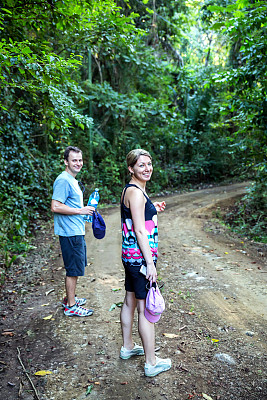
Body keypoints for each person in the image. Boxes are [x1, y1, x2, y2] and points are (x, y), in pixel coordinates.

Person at [119, 148, 171, 377]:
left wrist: (152, 208)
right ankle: (151, 363)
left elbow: (137, 217)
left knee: (130, 300)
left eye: (149, 164)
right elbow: (139, 229)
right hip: (140, 258)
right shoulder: (137, 193)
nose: (147, 168)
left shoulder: (132, 190)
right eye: (141, 165)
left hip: (129, 257)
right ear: (131, 168)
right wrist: (150, 263)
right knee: (144, 308)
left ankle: (128, 347)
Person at [51, 146, 95, 317]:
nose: (78, 163)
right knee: (73, 269)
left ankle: (70, 297)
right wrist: (80, 211)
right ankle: (71, 306)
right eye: (74, 160)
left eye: (80, 160)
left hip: (76, 230)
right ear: (66, 162)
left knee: (76, 267)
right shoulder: (63, 180)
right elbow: (55, 206)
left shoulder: (72, 180)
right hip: (70, 233)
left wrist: (84, 212)